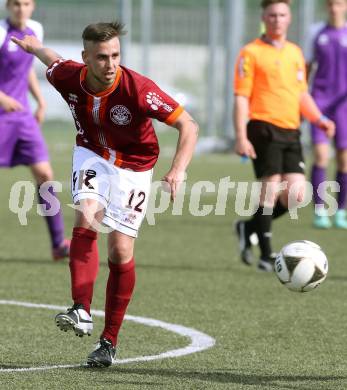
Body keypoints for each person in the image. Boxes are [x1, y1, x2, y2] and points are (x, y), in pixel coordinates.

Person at [12, 21, 198, 367]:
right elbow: (50, 58)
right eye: (101, 57)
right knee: (87, 214)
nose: (110, 64)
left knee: (120, 248)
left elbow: (188, 124)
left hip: (135, 167)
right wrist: (33, 46)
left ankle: (108, 341)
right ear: (86, 58)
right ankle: (81, 308)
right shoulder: (68, 76)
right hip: (92, 152)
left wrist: (178, 169)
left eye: (115, 55)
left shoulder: (139, 89)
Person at [233, 0, 335, 272]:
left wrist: (319, 119)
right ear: (264, 18)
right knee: (271, 187)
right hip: (263, 127)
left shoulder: (295, 53)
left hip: (291, 130)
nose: (277, 19)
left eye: (282, 15)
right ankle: (266, 255)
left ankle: (247, 227)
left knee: (297, 194)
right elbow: (242, 97)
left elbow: (302, 94)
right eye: (272, 15)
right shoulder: (250, 52)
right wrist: (241, 136)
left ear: (289, 19)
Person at [0, 0, 69, 260]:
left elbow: (26, 68)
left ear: (33, 6)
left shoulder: (35, 31)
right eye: (16, 3)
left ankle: (58, 244)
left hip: (23, 118)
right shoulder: (1, 32)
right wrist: (2, 98)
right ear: (8, 6)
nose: (21, 8)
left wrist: (39, 99)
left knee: (45, 174)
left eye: (26, 3)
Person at [306, 0, 347, 229]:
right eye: (330, 3)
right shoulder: (316, 32)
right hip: (319, 103)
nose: (334, 8)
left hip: (344, 106)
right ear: (326, 6)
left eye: (339, 3)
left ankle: (341, 211)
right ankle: (320, 210)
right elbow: (306, 67)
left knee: (344, 160)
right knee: (321, 157)